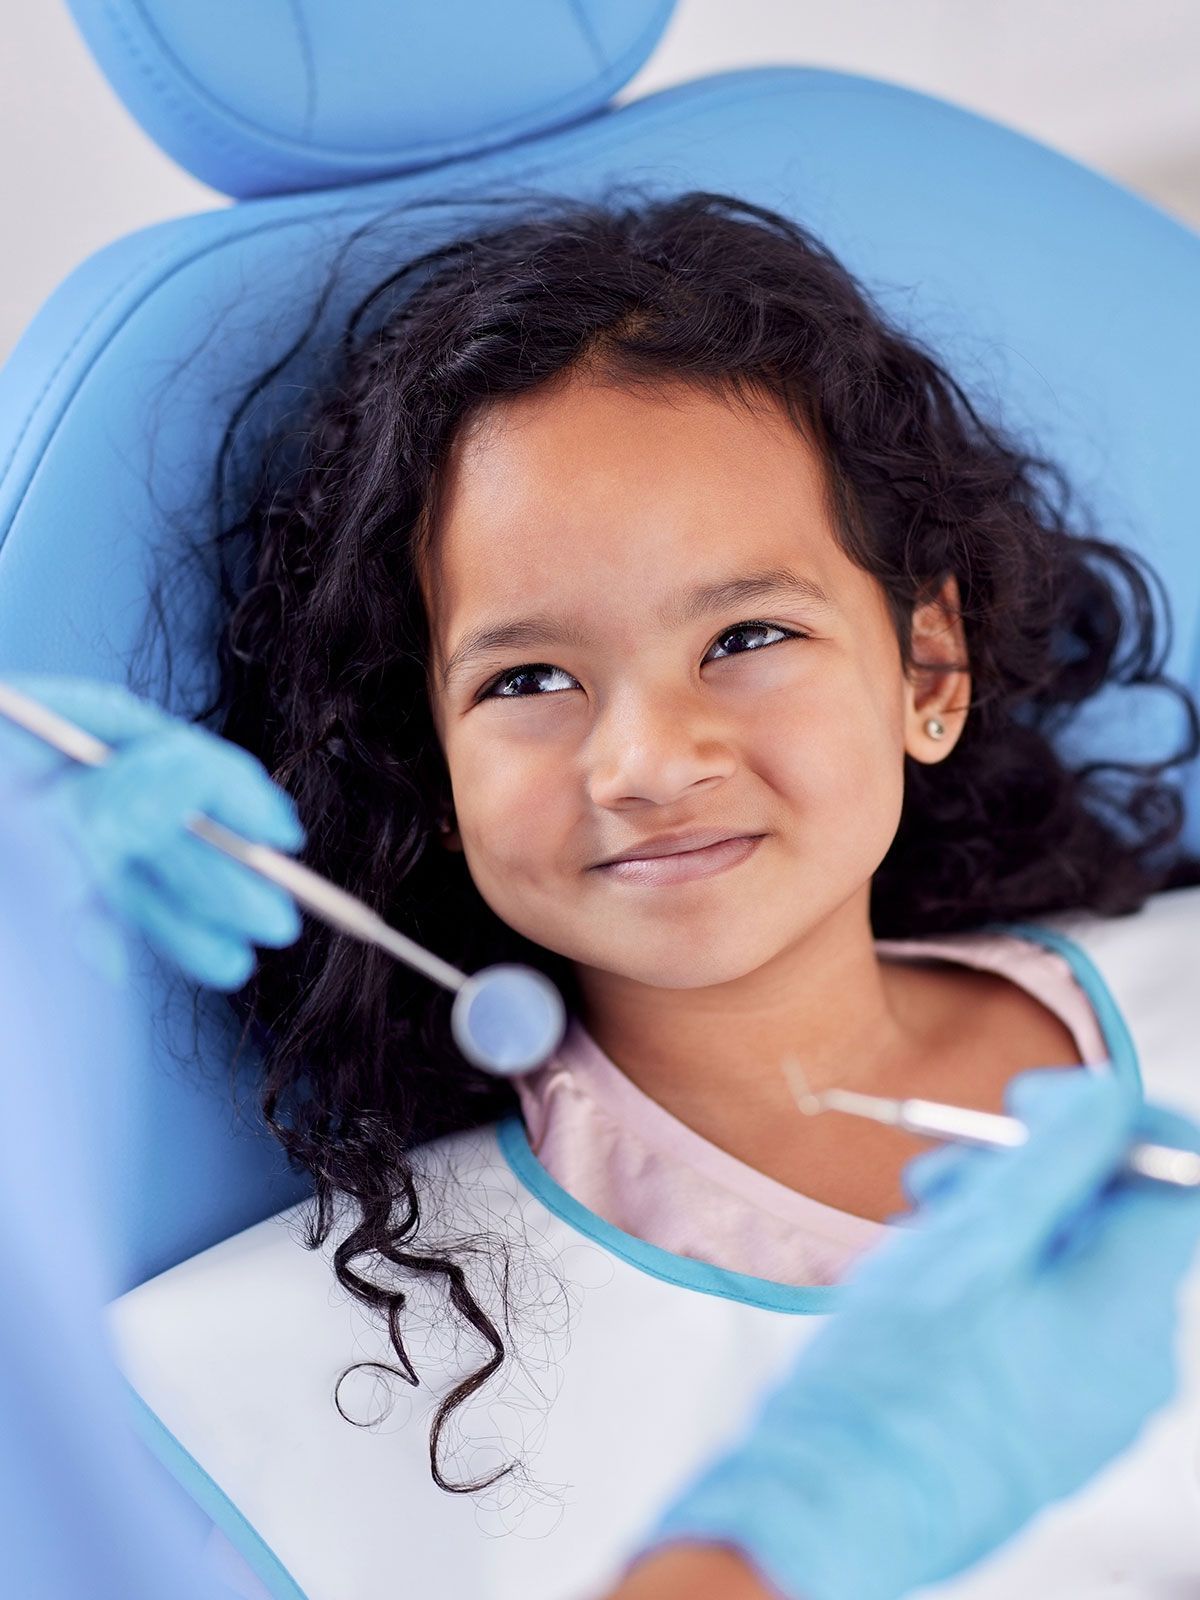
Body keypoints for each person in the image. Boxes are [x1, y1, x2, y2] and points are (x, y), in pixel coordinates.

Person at [7, 183, 1200, 1598]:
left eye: (748, 633)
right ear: (430, 759)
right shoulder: (282, 1390)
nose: (642, 760)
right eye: (528, 680)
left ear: (927, 669)